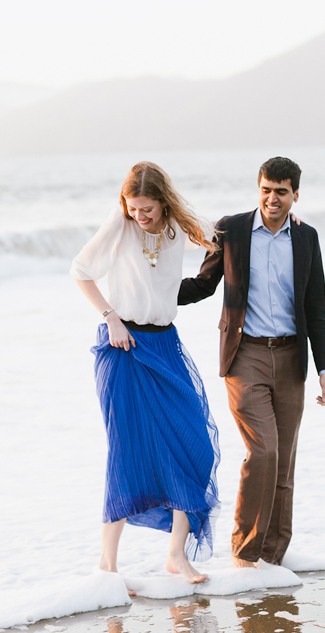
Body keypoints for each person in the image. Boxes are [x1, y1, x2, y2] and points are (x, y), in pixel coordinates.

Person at [178, 157, 325, 569]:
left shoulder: (306, 238)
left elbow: (316, 306)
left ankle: (273, 557)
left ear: (295, 195)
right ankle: (245, 554)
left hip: (290, 357)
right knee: (262, 452)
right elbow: (202, 285)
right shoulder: (231, 230)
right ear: (258, 189)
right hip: (244, 354)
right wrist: (148, 294)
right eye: (266, 189)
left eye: (281, 192)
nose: (272, 198)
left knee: (284, 459)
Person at [72, 162, 220, 589]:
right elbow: (80, 270)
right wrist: (110, 317)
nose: (140, 215)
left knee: (192, 446)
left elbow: (224, 235)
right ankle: (107, 565)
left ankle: (176, 556)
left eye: (147, 208)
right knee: (127, 452)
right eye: (133, 207)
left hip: (165, 346)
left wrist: (282, 219)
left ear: (164, 202)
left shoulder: (178, 226)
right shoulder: (120, 224)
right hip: (122, 349)